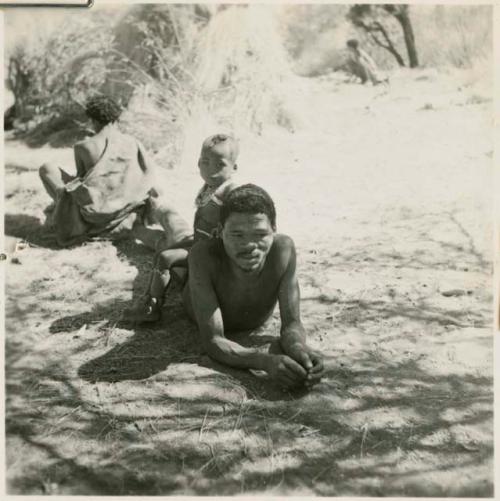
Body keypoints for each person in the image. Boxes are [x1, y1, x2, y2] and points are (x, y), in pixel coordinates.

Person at [183, 184, 324, 389]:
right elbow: (213, 340)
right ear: (220, 232)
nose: (249, 246)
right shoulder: (202, 257)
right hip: (189, 281)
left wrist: (298, 348)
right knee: (174, 244)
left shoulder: (283, 251)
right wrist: (264, 361)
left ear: (274, 231)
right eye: (237, 235)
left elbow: (292, 324)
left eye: (260, 235)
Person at [124, 133, 240, 323]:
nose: (211, 169)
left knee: (165, 257)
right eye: (205, 162)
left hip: (216, 253)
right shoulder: (209, 187)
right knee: (164, 250)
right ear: (198, 163)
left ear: (234, 167)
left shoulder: (231, 191)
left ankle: (153, 306)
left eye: (220, 164)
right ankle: (149, 296)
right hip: (200, 243)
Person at [39, 95, 156, 247]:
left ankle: (63, 212)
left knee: (47, 169)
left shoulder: (83, 146)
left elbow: (81, 182)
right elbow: (149, 173)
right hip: (127, 207)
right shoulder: (133, 142)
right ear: (116, 119)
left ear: (93, 120)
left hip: (95, 213)